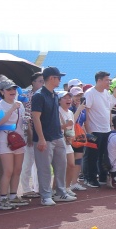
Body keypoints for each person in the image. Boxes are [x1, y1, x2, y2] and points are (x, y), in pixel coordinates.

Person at [32, 67, 76, 206]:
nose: (60, 80)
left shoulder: (55, 95)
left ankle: (60, 192)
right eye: (58, 77)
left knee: (61, 166)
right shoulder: (39, 96)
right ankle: (45, 196)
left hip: (57, 136)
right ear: (52, 78)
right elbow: (35, 118)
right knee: (44, 168)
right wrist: (41, 138)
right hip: (45, 138)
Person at [0, 79, 29, 209]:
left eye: (14, 89)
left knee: (17, 169)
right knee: (8, 171)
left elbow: (21, 121)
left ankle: (13, 196)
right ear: (2, 92)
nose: (12, 91)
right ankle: (3, 198)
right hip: (5, 139)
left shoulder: (20, 104)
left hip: (19, 140)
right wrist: (12, 109)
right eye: (8, 89)